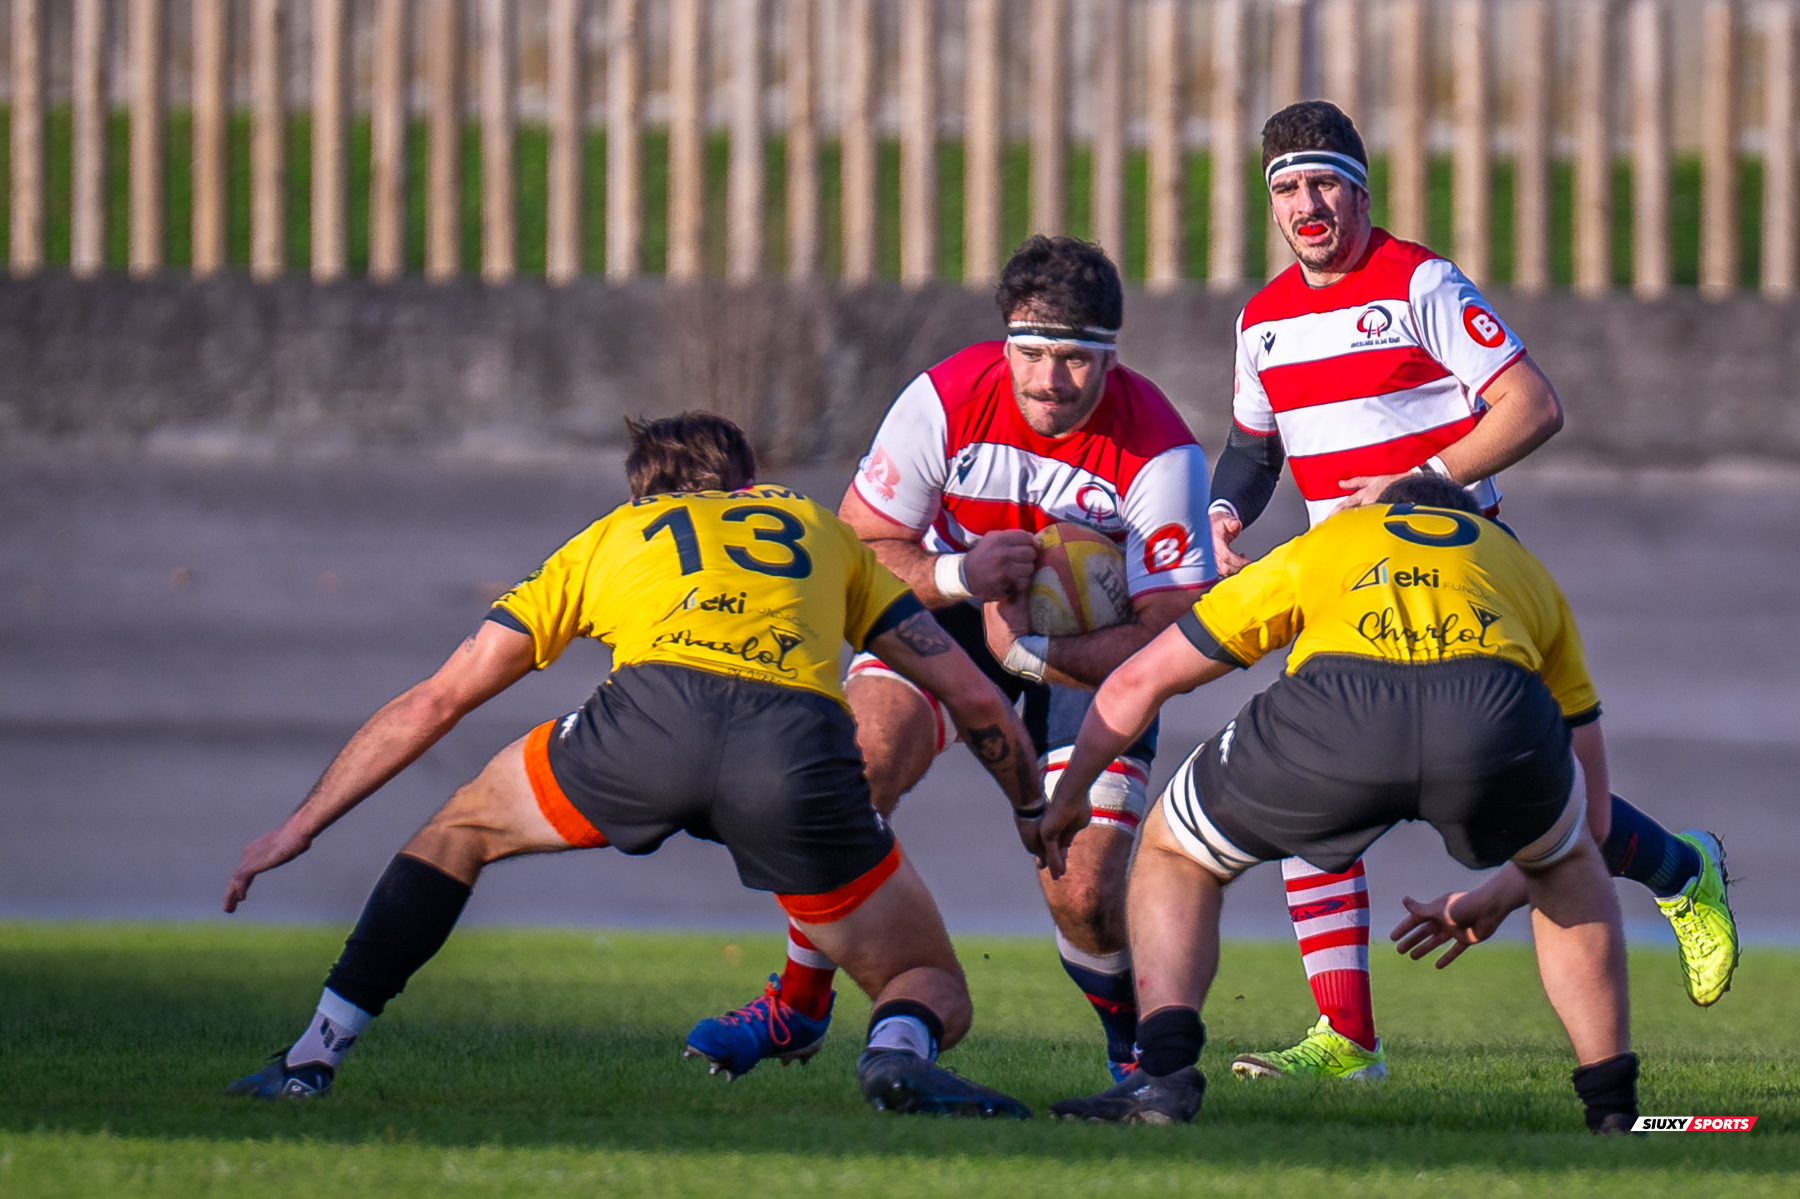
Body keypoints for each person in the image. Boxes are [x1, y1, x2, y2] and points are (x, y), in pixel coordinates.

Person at [221, 412, 1049, 1119]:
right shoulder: (816, 529)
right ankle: (896, 1053)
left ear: (641, 494)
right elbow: (975, 697)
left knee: (459, 830)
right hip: (794, 756)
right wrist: (1030, 810)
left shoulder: (613, 534)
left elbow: (436, 701)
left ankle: (312, 1056)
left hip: (644, 731)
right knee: (925, 977)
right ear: (748, 483)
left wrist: (300, 825)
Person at [1206, 101, 1736, 1081]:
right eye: (1288, 189)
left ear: (1361, 191)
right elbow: (1252, 446)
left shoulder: (1421, 283)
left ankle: (1680, 869)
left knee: (1534, 794)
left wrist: (1424, 478)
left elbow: (1532, 404)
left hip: (1461, 568)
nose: (1307, 205)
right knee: (1310, 794)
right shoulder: (1261, 321)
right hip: (1343, 588)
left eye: (1324, 184)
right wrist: (1225, 510)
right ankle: (1346, 1040)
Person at [683, 236, 1216, 1084]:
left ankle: (1134, 1061)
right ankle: (798, 1002)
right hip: (954, 606)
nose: (1049, 379)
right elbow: (856, 544)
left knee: (1082, 888)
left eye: (1076, 359)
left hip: (1090, 653)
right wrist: (963, 574)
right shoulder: (944, 398)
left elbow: (1171, 633)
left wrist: (1036, 653)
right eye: (1031, 352)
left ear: (1112, 359)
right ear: (1006, 342)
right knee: (855, 771)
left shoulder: (1161, 450)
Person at [1044, 475, 1641, 1134]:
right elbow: (1596, 820)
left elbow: (1140, 679)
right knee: (1568, 863)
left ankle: (1162, 1079)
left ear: (1384, 510)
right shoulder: (1519, 565)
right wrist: (1498, 895)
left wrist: (1068, 797)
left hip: (1338, 713)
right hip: (1490, 716)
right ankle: (1613, 1107)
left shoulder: (1337, 535)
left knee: (1175, 850)